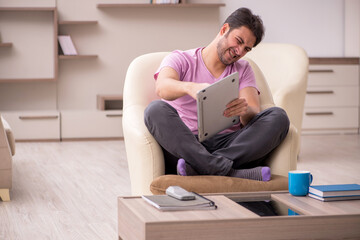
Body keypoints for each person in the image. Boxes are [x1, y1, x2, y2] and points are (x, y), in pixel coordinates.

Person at [144, 8, 289, 181]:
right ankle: (228, 171)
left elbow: (253, 114)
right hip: (187, 142)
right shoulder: (181, 59)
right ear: (224, 29)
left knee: (278, 116)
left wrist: (244, 110)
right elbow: (162, 87)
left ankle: (200, 167)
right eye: (238, 41)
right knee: (155, 110)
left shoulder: (243, 69)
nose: (239, 51)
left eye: (246, 49)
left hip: (228, 143)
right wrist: (190, 88)